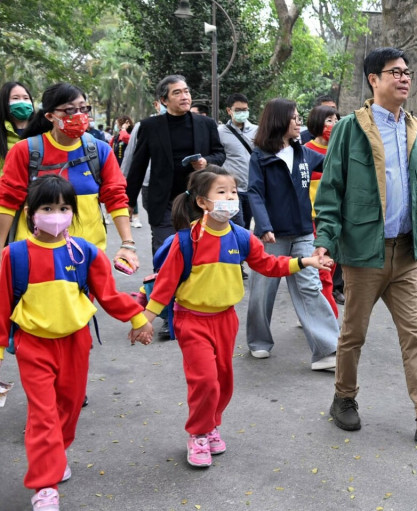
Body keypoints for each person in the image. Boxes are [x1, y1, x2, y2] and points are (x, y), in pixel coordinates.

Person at [313, 47, 417, 441]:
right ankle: (344, 398)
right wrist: (324, 243)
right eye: (395, 72)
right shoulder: (351, 128)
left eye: (408, 72)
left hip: (404, 251)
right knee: (353, 334)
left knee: (415, 334)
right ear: (374, 79)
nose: (404, 78)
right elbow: (332, 191)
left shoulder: (415, 129)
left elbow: (415, 186)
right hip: (365, 250)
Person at [141, 166, 330, 468]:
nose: (230, 198)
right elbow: (164, 287)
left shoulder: (242, 238)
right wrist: (145, 320)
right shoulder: (186, 241)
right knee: (204, 380)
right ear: (202, 202)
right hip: (191, 319)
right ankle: (198, 434)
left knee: (223, 381)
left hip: (226, 320)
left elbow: (269, 265)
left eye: (232, 192)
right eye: (221, 192)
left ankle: (211, 425)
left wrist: (304, 261)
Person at [0, 175, 153, 511]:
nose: (57, 214)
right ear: (30, 213)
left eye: (64, 207)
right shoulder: (14, 256)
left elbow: (109, 295)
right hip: (33, 345)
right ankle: (45, 485)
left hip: (75, 343)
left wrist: (138, 319)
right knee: (42, 415)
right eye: (48, 208)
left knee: (67, 409)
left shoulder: (85, 253)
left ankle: (57, 452)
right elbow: (1, 307)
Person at [0, 82, 139, 272]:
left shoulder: (100, 150)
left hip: (87, 254)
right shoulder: (24, 151)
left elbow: (116, 197)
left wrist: (127, 244)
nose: (79, 115)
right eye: (69, 110)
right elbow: (7, 201)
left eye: (83, 108)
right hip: (33, 256)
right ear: (50, 116)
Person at [246, 98, 339, 370]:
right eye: (294, 117)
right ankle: (259, 342)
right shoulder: (260, 156)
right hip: (271, 235)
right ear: (279, 120)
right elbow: (255, 193)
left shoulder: (304, 153)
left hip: (302, 233)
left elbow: (335, 164)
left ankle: (327, 350)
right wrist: (263, 226)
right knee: (263, 289)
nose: (299, 122)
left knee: (310, 286)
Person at [125, 74, 225, 257]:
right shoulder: (150, 126)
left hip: (198, 199)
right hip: (164, 201)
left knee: (198, 253)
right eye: (177, 93)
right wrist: (129, 202)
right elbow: (138, 166)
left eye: (186, 91)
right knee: (166, 252)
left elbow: (220, 154)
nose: (184, 96)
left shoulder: (206, 124)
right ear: (164, 100)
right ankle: (165, 285)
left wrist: (206, 162)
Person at [304, 104, 340, 316]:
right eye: (329, 120)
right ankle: (329, 317)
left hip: (335, 218)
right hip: (313, 219)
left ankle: (314, 311)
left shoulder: (340, 150)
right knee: (322, 269)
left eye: (336, 120)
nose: (333, 125)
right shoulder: (306, 151)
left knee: (331, 266)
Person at [217, 93, 257, 231]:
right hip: (233, 190)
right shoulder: (221, 132)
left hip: (252, 188)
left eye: (245, 110)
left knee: (246, 226)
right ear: (229, 111)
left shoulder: (256, 131)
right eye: (238, 110)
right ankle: (235, 251)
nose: (242, 113)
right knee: (237, 225)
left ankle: (243, 251)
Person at [1, 81, 35, 176]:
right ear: (5, 102)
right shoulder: (2, 133)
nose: (22, 102)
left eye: (26, 98)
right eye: (15, 98)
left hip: (39, 188)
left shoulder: (44, 130)